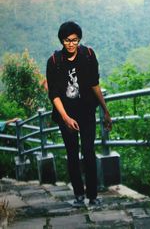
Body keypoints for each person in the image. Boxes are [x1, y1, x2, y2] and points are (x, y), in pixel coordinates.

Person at [46, 21, 112, 207]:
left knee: (89, 152)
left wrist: (105, 111)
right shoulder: (53, 62)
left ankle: (92, 195)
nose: (71, 44)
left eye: (74, 40)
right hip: (65, 114)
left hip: (87, 112)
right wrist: (66, 118)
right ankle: (78, 195)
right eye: (67, 40)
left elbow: (94, 84)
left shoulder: (88, 55)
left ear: (79, 40)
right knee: (72, 154)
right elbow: (54, 94)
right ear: (62, 41)